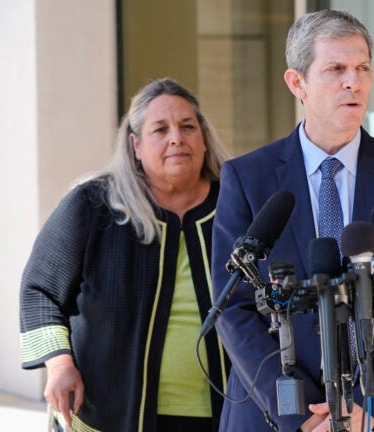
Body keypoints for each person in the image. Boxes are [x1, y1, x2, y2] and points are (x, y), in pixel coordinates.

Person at [211, 9, 374, 432]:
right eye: (336, 68)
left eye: (362, 69)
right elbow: (234, 308)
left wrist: (368, 409)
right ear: (297, 83)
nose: (352, 81)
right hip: (274, 415)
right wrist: (301, 415)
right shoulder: (247, 178)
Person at [19, 78, 230, 432]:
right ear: (135, 145)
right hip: (106, 416)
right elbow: (40, 291)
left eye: (187, 126)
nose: (176, 137)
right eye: (160, 129)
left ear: (204, 138)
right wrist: (58, 365)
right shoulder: (92, 205)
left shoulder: (237, 206)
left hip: (224, 414)